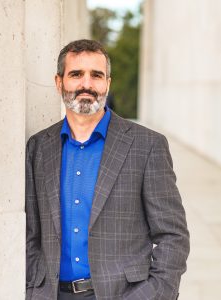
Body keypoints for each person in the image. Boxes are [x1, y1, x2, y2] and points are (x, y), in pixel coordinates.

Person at [25, 39, 189, 300]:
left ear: (107, 84)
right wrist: (33, 291)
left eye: (96, 75)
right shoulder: (38, 148)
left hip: (125, 294)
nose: (86, 85)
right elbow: (30, 235)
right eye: (76, 74)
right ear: (59, 82)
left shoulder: (147, 145)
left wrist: (151, 294)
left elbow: (173, 236)